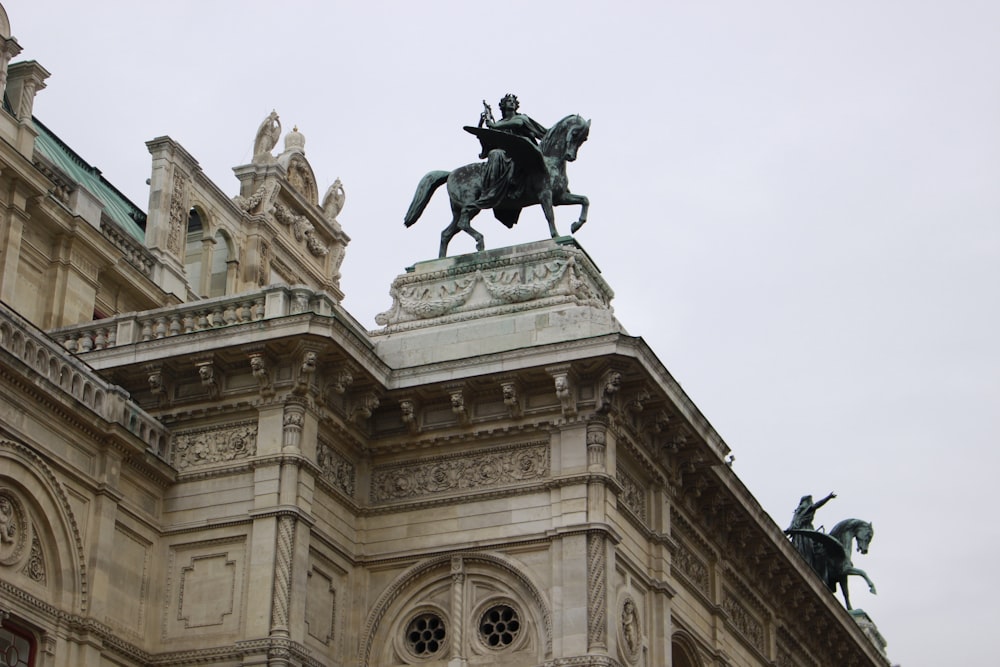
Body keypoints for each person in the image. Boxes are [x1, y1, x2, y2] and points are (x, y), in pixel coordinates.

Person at [474, 94, 548, 211]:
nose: (512, 103)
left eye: (513, 101)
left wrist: (494, 125)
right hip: (505, 154)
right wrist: (481, 125)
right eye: (509, 101)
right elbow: (488, 142)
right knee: (494, 153)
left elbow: (518, 123)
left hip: (523, 150)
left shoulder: (521, 118)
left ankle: (516, 184)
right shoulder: (499, 123)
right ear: (503, 105)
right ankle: (493, 188)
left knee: (516, 155)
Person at [786, 492, 836, 578]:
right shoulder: (804, 508)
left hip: (798, 533)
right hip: (805, 533)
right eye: (809, 501)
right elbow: (817, 505)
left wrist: (789, 530)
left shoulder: (798, 511)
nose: (811, 503)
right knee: (809, 550)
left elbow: (793, 524)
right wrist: (828, 497)